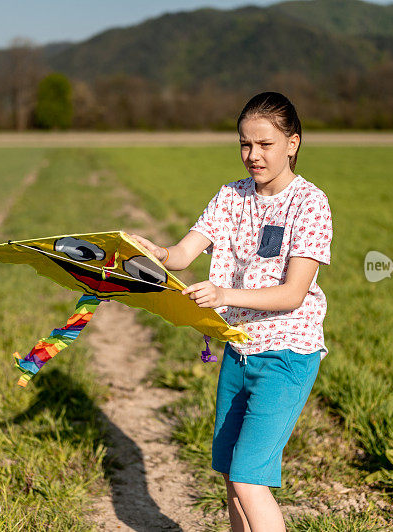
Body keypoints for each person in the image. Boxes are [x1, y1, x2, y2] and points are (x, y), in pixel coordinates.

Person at [131, 91, 332, 531]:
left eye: (265, 145)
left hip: (287, 355)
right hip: (239, 350)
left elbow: (293, 294)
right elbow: (183, 254)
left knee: (249, 479)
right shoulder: (230, 197)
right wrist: (154, 251)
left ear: (292, 143)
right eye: (245, 144)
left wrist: (224, 295)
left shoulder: (310, 204)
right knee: (229, 474)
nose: (252, 156)